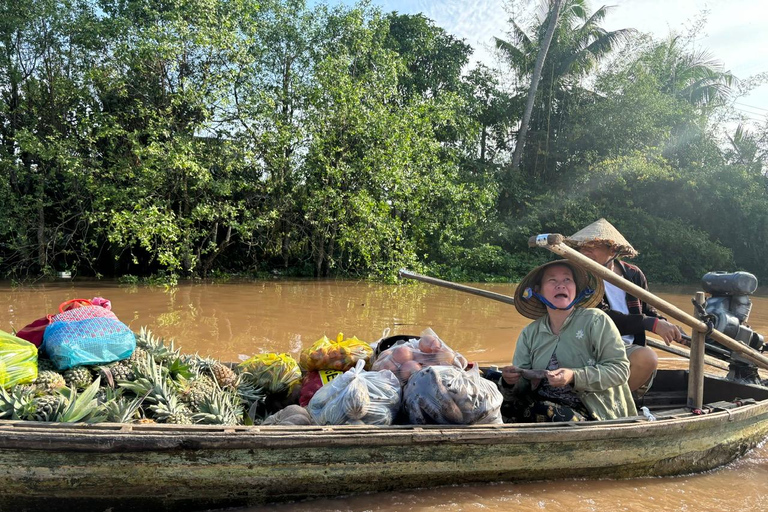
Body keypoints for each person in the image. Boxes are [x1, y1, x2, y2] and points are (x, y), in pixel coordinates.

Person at [499, 259, 637, 422]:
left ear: (576, 289)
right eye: (552, 280)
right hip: (539, 404)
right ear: (538, 291)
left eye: (567, 280)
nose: (561, 285)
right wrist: (509, 380)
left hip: (591, 412)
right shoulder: (530, 333)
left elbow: (620, 370)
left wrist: (574, 376)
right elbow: (521, 387)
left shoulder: (596, 321)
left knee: (544, 410)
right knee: (493, 385)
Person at [565, 218, 683, 397]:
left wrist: (666, 325)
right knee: (647, 356)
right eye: (582, 247)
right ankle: (610, 402)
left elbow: (647, 310)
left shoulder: (633, 274)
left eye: (593, 246)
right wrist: (649, 323)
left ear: (613, 249)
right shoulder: (580, 277)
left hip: (627, 347)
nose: (585, 251)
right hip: (593, 345)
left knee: (646, 358)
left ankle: (616, 401)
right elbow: (602, 317)